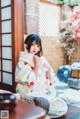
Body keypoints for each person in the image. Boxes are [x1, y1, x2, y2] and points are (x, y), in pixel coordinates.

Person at [15, 34, 68, 115]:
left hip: (42, 89)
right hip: (29, 90)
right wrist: (37, 65)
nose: (35, 48)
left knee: (61, 106)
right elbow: (28, 80)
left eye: (38, 46)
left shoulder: (41, 58)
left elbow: (50, 77)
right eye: (32, 45)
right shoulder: (23, 60)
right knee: (48, 105)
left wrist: (48, 69)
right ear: (26, 45)